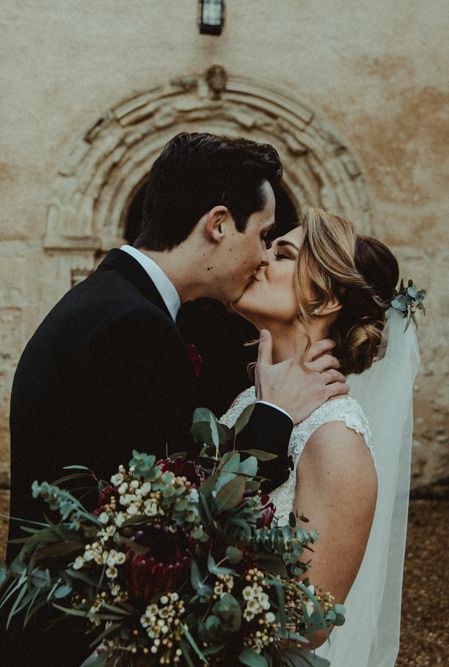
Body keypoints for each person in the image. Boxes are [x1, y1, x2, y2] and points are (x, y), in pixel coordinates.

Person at [5, 133, 347, 666]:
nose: (261, 257)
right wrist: (273, 418)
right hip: (77, 641)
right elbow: (167, 521)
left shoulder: (111, 300)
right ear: (217, 224)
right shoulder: (133, 327)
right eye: (262, 236)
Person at [220, 208, 419, 666]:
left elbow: (309, 619)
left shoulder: (335, 438)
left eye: (283, 253)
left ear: (327, 299)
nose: (261, 258)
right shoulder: (251, 399)